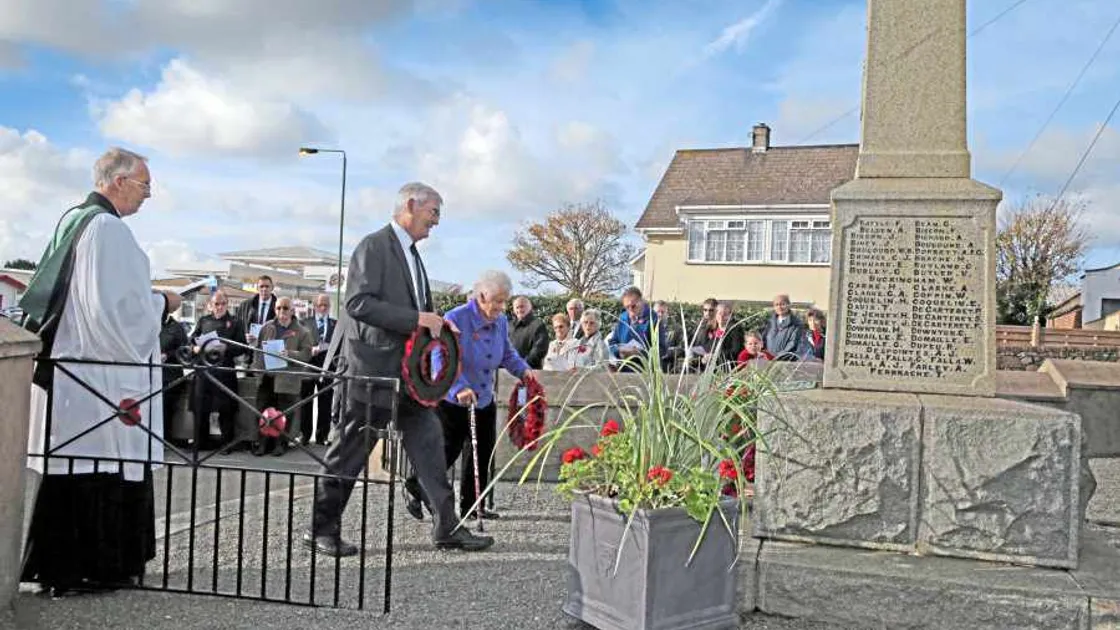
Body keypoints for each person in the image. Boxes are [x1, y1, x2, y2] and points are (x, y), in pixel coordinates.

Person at [21, 147, 182, 596]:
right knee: (100, 464)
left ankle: (62, 567)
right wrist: (162, 303)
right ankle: (93, 568)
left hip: (77, 369)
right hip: (100, 378)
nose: (148, 195)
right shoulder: (107, 229)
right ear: (116, 181)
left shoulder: (74, 219)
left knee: (77, 467)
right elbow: (119, 314)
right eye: (144, 185)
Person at [307, 181, 493, 556]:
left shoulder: (412, 255)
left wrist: (436, 322)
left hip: (409, 379)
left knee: (430, 447)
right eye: (434, 212)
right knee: (349, 452)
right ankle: (321, 529)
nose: (436, 222)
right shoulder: (374, 246)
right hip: (371, 372)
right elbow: (358, 303)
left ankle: (447, 528)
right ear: (411, 205)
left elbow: (415, 314)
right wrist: (417, 317)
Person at [404, 270, 535, 521]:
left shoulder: (501, 321)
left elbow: (506, 352)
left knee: (482, 454)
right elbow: (440, 357)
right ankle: (419, 484)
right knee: (447, 451)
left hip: (483, 396)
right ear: (482, 296)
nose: (502, 306)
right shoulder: (456, 318)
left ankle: (472, 506)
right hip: (454, 399)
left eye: (504, 300)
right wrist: (458, 387)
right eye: (498, 300)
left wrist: (523, 370)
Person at [252, 296, 314, 456]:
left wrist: (289, 354)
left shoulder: (302, 331)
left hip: (287, 380)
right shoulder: (267, 327)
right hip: (267, 378)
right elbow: (258, 351)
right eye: (279, 308)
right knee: (263, 412)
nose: (282, 312)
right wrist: (257, 370)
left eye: (285, 308)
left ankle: (280, 444)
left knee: (284, 414)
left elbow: (307, 355)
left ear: (292, 310)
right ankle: (262, 443)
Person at [188, 290, 248, 450]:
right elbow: (192, 340)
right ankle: (200, 442)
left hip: (224, 371)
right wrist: (194, 347)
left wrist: (226, 347)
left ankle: (227, 443)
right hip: (204, 370)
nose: (219, 307)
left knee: (226, 409)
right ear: (210, 305)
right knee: (201, 407)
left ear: (227, 305)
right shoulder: (203, 320)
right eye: (216, 304)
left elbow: (243, 347)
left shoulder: (235, 322)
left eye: (223, 304)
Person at [300, 293, 337, 446]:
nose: (323, 308)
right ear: (315, 306)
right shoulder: (304, 323)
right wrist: (311, 349)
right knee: (305, 402)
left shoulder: (335, 324)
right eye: (320, 305)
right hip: (308, 366)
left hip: (328, 368)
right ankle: (305, 435)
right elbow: (300, 343)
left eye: (326, 305)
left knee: (326, 403)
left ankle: (322, 436)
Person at [608, 286, 665, 371]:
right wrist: (619, 350)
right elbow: (612, 343)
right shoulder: (623, 317)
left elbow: (662, 349)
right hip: (624, 370)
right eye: (627, 307)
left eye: (633, 306)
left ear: (641, 302)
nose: (630, 309)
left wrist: (640, 353)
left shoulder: (653, 319)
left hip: (646, 371)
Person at [760, 294, 807, 361]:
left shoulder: (796, 324)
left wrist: (778, 357)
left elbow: (792, 343)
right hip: (768, 361)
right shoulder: (769, 323)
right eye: (776, 304)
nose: (779, 307)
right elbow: (763, 340)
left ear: (789, 305)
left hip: (785, 362)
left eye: (782, 304)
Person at [234, 275, 276, 346]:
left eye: (267, 286)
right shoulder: (245, 305)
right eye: (261, 286)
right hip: (249, 349)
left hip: (269, 349)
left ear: (272, 288)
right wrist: (244, 336)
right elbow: (237, 327)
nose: (264, 289)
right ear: (257, 288)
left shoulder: (279, 307)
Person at [509, 296, 549, 369]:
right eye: (517, 307)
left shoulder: (538, 325)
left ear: (529, 308)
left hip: (529, 372)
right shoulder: (509, 326)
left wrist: (522, 365)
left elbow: (539, 350)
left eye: (522, 307)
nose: (519, 310)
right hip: (506, 372)